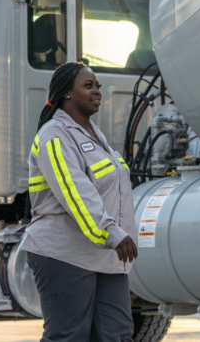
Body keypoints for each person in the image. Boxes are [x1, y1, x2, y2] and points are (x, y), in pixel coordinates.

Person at [19, 62, 138, 342]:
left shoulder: (96, 137)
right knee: (69, 337)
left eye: (97, 85)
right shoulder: (55, 134)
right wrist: (112, 233)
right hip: (64, 253)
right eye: (88, 86)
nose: (97, 91)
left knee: (117, 336)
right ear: (67, 94)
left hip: (104, 256)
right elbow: (76, 192)